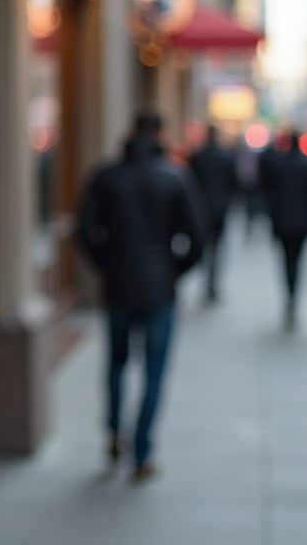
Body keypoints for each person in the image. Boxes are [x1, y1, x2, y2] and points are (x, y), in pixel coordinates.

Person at [78, 111, 205, 482]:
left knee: (116, 364)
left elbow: (86, 231)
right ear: (160, 135)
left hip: (119, 285)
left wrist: (107, 265)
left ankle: (116, 432)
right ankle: (142, 451)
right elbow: (197, 239)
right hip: (158, 289)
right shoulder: (173, 177)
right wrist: (171, 270)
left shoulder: (106, 176)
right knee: (153, 371)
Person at [261, 130, 307, 331]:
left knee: (286, 261)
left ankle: (289, 296)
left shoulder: (280, 166)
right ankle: (293, 296)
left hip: (283, 224)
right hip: (302, 224)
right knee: (297, 261)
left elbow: (270, 197)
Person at [189, 125, 238, 304]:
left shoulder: (198, 156)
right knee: (216, 247)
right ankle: (212, 282)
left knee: (204, 245)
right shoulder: (225, 157)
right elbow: (234, 183)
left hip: (202, 209)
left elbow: (190, 182)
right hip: (219, 209)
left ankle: (208, 281)